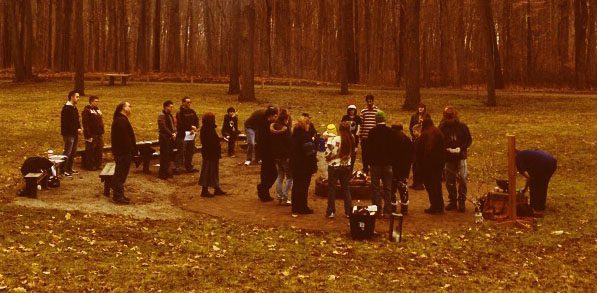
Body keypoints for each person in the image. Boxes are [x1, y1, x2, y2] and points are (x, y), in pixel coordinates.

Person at [439, 106, 472, 212]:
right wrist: (446, 149)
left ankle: (461, 201)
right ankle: (453, 201)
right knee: (449, 181)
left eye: (451, 117)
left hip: (461, 156)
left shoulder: (462, 127)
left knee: (462, 178)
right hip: (448, 158)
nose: (450, 120)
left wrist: (461, 148)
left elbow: (468, 140)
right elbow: (439, 141)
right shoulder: (442, 128)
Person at [365, 111, 399, 217]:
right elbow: (394, 150)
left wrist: (367, 164)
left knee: (375, 188)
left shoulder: (372, 132)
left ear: (376, 120)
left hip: (375, 165)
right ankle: (387, 211)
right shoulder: (391, 132)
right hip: (388, 165)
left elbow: (368, 150)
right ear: (384, 120)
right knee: (387, 188)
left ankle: (377, 210)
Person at [324, 121, 354, 218]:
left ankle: (331, 211)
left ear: (340, 130)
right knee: (346, 188)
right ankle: (349, 211)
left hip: (334, 166)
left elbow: (329, 153)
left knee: (332, 189)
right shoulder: (352, 139)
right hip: (346, 166)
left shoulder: (335, 139)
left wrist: (328, 157)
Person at [416, 119, 446, 214]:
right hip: (438, 164)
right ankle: (440, 205)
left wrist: (420, 164)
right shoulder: (438, 132)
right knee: (437, 184)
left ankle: (434, 206)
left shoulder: (425, 134)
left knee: (430, 185)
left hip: (428, 164)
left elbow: (420, 151)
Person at [290, 115, 317, 214]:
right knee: (303, 187)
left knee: (296, 186)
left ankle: (295, 206)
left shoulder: (294, 135)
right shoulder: (305, 136)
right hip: (304, 166)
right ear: (305, 125)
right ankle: (302, 207)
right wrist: (313, 165)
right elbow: (310, 153)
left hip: (295, 165)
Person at [515, 149, 557, 214]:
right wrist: (526, 187)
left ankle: (534, 207)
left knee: (535, 184)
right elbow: (529, 176)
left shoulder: (518, 156)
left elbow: (525, 174)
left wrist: (526, 187)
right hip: (552, 162)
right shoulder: (526, 154)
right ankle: (540, 207)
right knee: (543, 184)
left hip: (543, 164)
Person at [111, 101, 136, 205]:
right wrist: (129, 149)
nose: (130, 108)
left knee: (121, 174)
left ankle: (120, 194)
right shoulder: (121, 120)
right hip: (123, 153)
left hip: (123, 152)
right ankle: (117, 196)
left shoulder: (122, 119)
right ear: (123, 108)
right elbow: (124, 139)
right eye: (128, 106)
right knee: (120, 174)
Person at [198, 112, 226, 197]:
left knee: (214, 171)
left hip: (213, 153)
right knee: (206, 171)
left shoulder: (209, 128)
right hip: (209, 153)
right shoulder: (206, 129)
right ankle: (204, 190)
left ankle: (216, 187)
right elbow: (209, 141)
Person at [270, 111, 293, 205]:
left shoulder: (272, 128)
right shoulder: (286, 130)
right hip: (285, 156)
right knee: (290, 177)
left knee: (280, 176)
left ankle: (279, 196)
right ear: (285, 119)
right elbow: (290, 143)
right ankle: (285, 196)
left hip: (276, 156)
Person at [256, 106, 279, 202]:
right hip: (267, 153)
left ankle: (263, 190)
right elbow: (264, 141)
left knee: (268, 173)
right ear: (271, 116)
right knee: (272, 173)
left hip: (267, 153)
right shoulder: (266, 126)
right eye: (275, 115)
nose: (276, 117)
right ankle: (263, 189)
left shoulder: (268, 124)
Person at [391, 124, 413, 215]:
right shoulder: (407, 139)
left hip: (394, 167)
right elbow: (411, 154)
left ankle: (393, 207)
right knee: (403, 187)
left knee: (393, 188)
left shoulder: (391, 139)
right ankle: (404, 208)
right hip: (404, 167)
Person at [409, 102, 432, 190]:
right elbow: (411, 127)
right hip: (415, 140)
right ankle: (415, 182)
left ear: (424, 108)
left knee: (421, 162)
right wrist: (413, 135)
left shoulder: (427, 116)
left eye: (422, 107)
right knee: (414, 162)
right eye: (419, 107)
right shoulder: (414, 116)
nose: (420, 109)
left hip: (424, 141)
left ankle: (421, 183)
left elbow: (429, 127)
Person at [174, 96, 199, 173]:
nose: (189, 104)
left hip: (191, 134)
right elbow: (181, 124)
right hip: (182, 135)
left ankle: (189, 166)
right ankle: (179, 167)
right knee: (181, 151)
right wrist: (190, 127)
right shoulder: (180, 113)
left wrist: (195, 128)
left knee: (190, 151)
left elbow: (196, 120)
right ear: (183, 102)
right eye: (187, 102)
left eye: (190, 102)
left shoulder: (192, 111)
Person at [60, 91, 82, 177]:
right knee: (67, 152)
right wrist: (76, 129)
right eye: (77, 97)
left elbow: (77, 120)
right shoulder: (66, 108)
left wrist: (79, 128)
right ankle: (63, 170)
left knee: (73, 152)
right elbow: (67, 123)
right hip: (68, 133)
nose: (78, 99)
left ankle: (69, 168)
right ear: (72, 97)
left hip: (75, 133)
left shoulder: (74, 108)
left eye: (78, 97)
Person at [81, 95, 104, 171]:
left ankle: (98, 164)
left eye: (98, 101)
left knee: (99, 149)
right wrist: (87, 134)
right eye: (95, 101)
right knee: (91, 150)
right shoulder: (87, 110)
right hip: (91, 133)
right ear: (91, 101)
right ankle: (90, 165)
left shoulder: (97, 110)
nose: (97, 103)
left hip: (99, 133)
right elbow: (85, 123)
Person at [359, 94, 379, 174]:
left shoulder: (377, 111)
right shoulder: (363, 111)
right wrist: (360, 134)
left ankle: (373, 169)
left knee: (373, 153)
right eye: (368, 101)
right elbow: (361, 124)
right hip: (364, 136)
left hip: (374, 137)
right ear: (366, 102)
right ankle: (365, 169)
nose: (369, 103)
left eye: (371, 101)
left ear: (373, 101)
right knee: (364, 154)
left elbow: (378, 123)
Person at [158, 100, 177, 179]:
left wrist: (174, 132)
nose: (172, 108)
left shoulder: (169, 115)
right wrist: (171, 133)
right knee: (164, 156)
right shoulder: (161, 115)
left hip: (169, 138)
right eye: (171, 107)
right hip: (164, 138)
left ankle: (167, 172)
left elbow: (173, 125)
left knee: (169, 155)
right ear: (166, 107)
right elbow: (163, 127)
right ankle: (162, 174)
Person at [341, 104, 362, 173]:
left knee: (353, 155)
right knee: (346, 154)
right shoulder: (345, 117)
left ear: (355, 110)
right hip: (346, 137)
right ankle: (344, 169)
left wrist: (356, 143)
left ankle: (350, 170)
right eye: (350, 110)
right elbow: (342, 126)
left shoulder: (358, 118)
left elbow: (359, 128)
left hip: (355, 138)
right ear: (348, 110)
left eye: (353, 110)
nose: (351, 111)